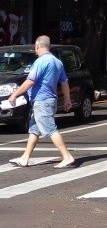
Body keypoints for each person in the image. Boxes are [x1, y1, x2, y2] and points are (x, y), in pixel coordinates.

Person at [7, 36, 76, 168]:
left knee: (50, 129)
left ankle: (67, 156)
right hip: (50, 100)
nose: (35, 51)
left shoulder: (40, 62)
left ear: (37, 46)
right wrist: (67, 99)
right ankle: (24, 158)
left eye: (35, 48)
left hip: (42, 101)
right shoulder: (57, 62)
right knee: (34, 129)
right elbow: (65, 82)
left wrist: (15, 94)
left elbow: (30, 81)